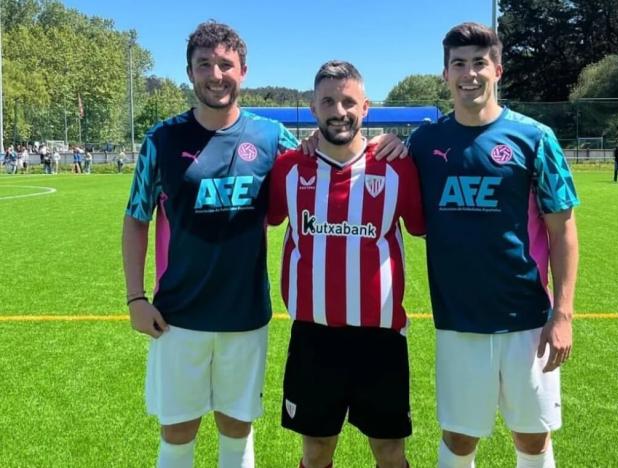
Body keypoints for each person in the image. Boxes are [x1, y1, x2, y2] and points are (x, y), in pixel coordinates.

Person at [121, 21, 404, 468]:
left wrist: (387, 142)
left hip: (246, 315)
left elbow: (331, 152)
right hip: (176, 315)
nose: (216, 74)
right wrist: (136, 297)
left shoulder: (270, 138)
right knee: (177, 431)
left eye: (225, 65)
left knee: (237, 428)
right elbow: (136, 219)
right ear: (190, 73)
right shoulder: (162, 139)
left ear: (243, 71)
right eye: (205, 65)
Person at [408, 22, 579, 468]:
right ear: (445, 74)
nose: (469, 73)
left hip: (526, 319)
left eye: (479, 63)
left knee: (532, 438)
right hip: (458, 321)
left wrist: (562, 314)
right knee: (460, 439)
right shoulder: (424, 142)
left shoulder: (535, 138)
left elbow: (563, 231)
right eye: (458, 64)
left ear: (498, 70)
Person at [268, 60, 425, 468]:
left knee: (390, 452)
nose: (339, 111)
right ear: (313, 108)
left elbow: (423, 226)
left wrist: (407, 142)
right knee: (316, 450)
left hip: (381, 340)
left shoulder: (396, 165)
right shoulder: (288, 168)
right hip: (314, 338)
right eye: (328, 101)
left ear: (366, 107)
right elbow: (262, 220)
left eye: (349, 101)